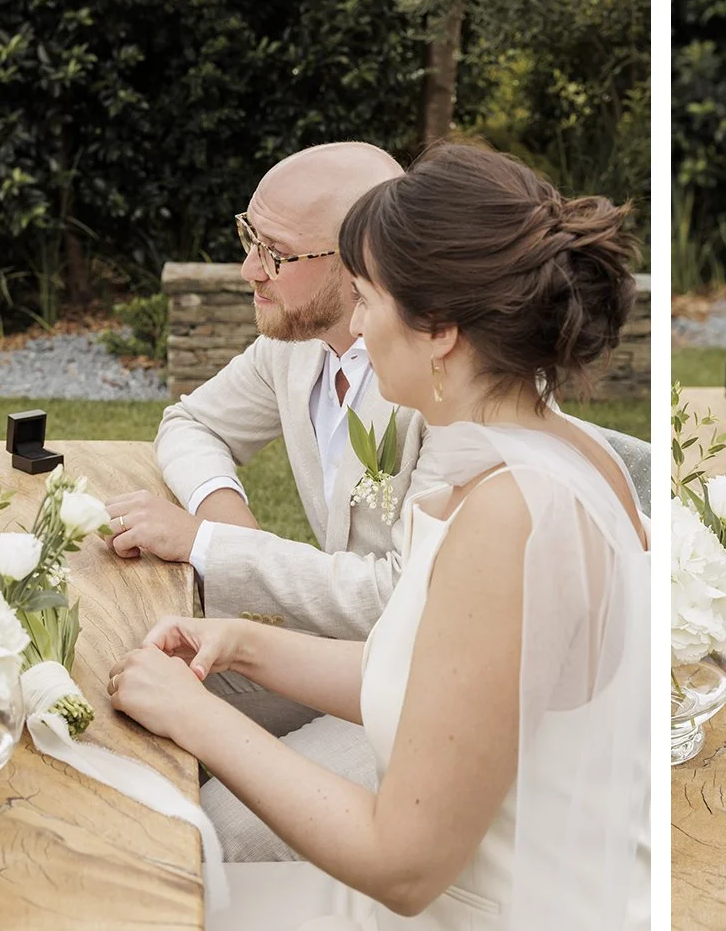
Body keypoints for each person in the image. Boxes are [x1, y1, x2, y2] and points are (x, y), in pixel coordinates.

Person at [108, 140, 651, 930]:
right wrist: (245, 643)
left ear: (439, 332)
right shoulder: (518, 452)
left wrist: (196, 718)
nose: (355, 326)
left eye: (366, 298)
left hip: (490, 907)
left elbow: (404, 866)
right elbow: (431, 676)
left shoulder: (510, 513)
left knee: (176, 867)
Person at [103, 141, 419, 860]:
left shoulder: (440, 385)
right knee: (116, 694)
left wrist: (210, 549)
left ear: (356, 262)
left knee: (212, 827)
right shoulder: (296, 342)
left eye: (274, 252)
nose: (250, 271)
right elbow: (192, 421)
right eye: (250, 237)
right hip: (328, 647)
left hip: (423, 684)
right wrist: (223, 516)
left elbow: (406, 596)